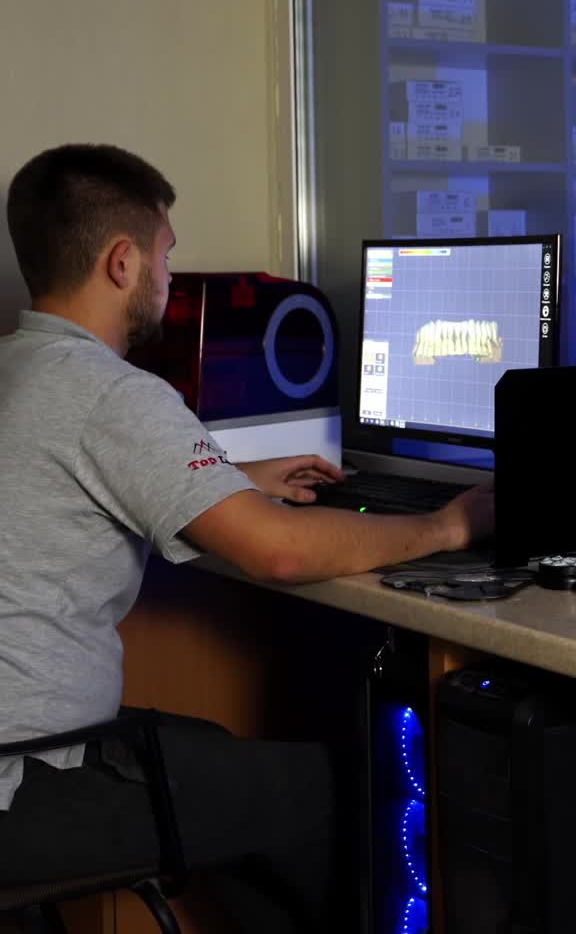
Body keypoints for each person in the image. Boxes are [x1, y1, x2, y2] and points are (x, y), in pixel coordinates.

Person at [0, 143, 493, 931]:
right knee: (317, 793)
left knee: (208, 744)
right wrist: (450, 522)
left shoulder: (18, 367)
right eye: (166, 255)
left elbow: (74, 473)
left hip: (24, 753)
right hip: (24, 787)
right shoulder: (110, 394)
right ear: (121, 263)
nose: (169, 277)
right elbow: (282, 552)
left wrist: (228, 480)